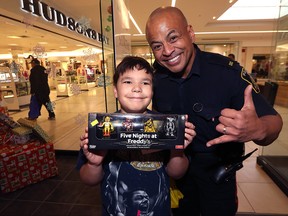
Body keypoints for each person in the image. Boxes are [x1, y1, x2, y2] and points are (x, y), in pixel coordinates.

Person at [145, 6, 283, 216]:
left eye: (173, 38)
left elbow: (275, 121)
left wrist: (257, 129)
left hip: (218, 178)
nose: (167, 51)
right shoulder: (155, 78)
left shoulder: (227, 72)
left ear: (190, 33)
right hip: (175, 176)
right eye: (157, 46)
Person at [77, 56, 196, 216]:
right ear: (115, 91)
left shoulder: (166, 126)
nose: (137, 88)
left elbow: (177, 173)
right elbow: (88, 180)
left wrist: (177, 150)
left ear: (152, 91)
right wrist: (94, 164)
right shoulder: (101, 128)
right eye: (128, 82)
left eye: (145, 82)